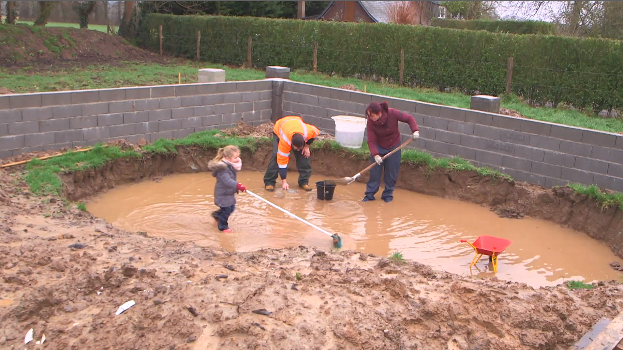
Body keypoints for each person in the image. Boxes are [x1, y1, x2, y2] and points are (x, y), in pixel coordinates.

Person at [363, 101, 420, 203]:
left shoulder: (392, 113)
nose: (370, 117)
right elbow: (371, 140)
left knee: (391, 173)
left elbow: (409, 118)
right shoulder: (371, 122)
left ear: (379, 113)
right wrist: (376, 154)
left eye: (371, 115)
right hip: (379, 147)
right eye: (368, 116)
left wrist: (415, 130)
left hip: (394, 147)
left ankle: (387, 195)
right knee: (375, 173)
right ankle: (369, 194)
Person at [263, 115, 320, 192]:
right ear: (291, 144)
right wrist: (284, 182)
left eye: (299, 147)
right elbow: (282, 161)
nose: (298, 150)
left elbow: (315, 133)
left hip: (295, 123)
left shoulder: (308, 132)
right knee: (276, 155)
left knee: (304, 155)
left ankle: (303, 182)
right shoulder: (285, 140)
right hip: (280, 127)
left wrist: (306, 147)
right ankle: (269, 182)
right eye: (296, 148)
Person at [208, 145, 247, 233]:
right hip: (222, 194)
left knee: (231, 208)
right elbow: (227, 181)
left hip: (229, 193)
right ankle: (223, 227)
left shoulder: (231, 165)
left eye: (238, 156)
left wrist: (237, 186)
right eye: (235, 157)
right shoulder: (223, 169)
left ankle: (217, 215)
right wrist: (238, 185)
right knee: (227, 211)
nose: (238, 159)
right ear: (227, 158)